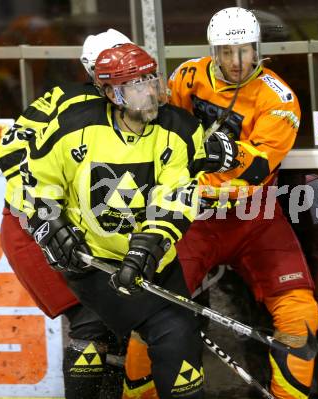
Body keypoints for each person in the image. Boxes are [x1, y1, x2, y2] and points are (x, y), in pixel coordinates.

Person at [124, 8, 318, 399]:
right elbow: (161, 136)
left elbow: (258, 167)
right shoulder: (187, 77)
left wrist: (223, 154)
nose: (235, 62)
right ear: (213, 50)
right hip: (193, 216)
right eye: (226, 52)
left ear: (258, 49)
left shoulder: (278, 98)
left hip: (255, 216)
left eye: (244, 52)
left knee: (301, 316)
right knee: (145, 310)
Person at [22, 43, 207, 399]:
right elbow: (38, 183)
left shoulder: (180, 129)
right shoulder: (72, 127)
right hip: (93, 262)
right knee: (102, 336)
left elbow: (176, 195)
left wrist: (151, 245)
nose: (149, 93)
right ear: (110, 92)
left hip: (153, 265)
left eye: (151, 80)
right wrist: (49, 223)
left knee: (177, 345)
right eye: (135, 86)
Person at [0, 29, 132, 399]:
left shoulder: (131, 107)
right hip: (33, 230)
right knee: (92, 321)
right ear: (93, 72)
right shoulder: (67, 105)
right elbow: (11, 152)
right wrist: (47, 215)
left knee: (117, 327)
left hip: (80, 227)